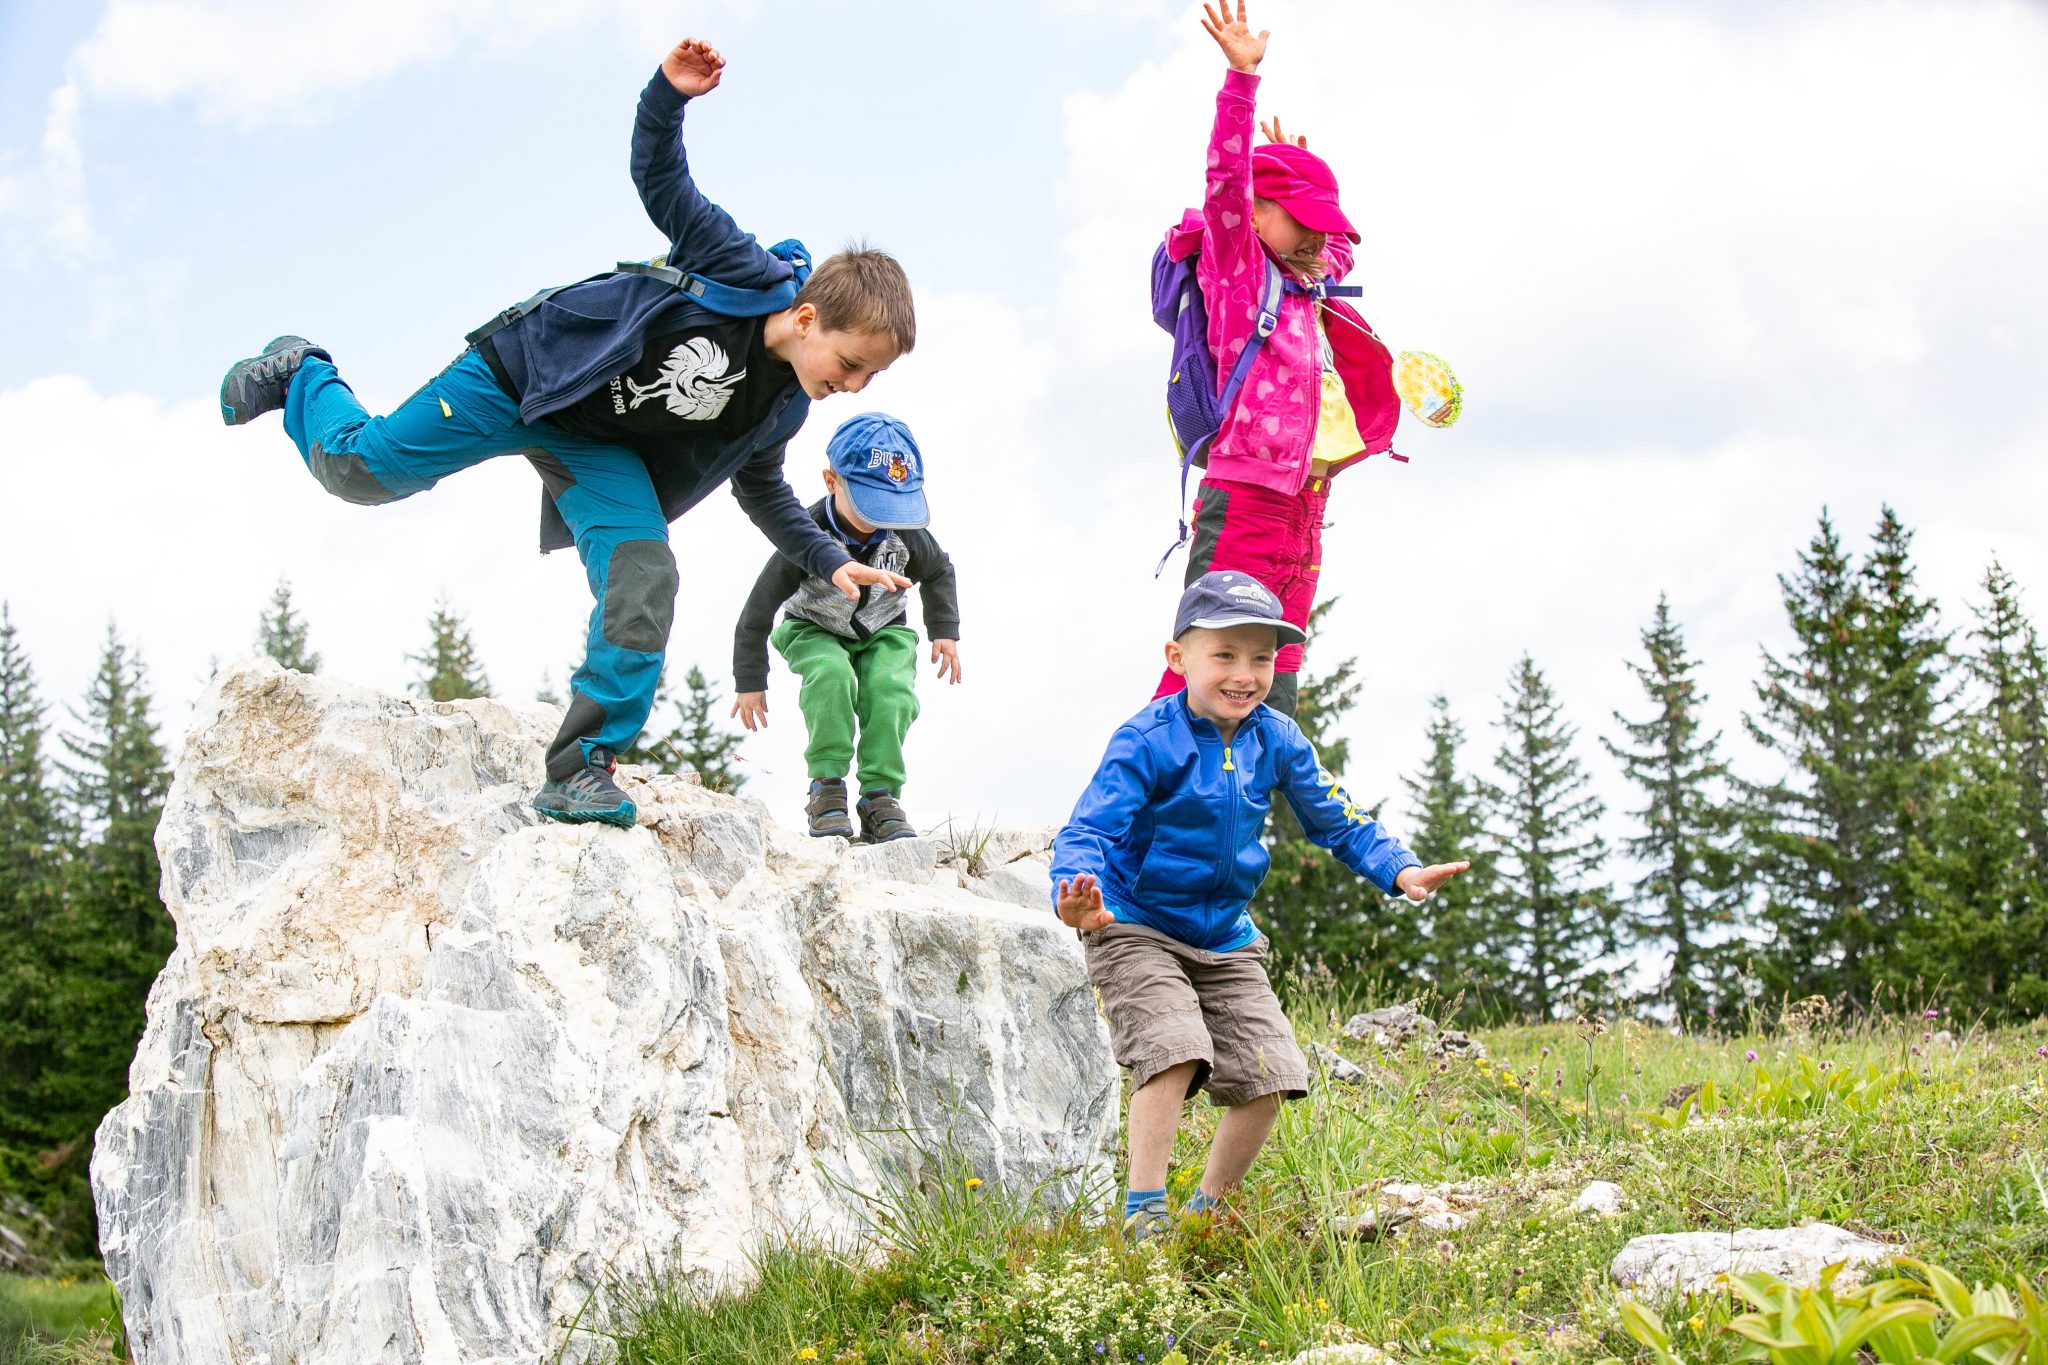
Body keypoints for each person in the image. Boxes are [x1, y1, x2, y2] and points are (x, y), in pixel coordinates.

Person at [217, 36, 914, 828]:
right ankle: (304, 368)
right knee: (359, 471)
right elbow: (662, 179)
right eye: (852, 362)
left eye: (870, 380)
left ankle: (581, 767)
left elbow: (761, 489)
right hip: (524, 377)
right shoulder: (739, 268)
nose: (851, 387)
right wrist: (668, 95)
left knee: (645, 571)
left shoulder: (782, 405)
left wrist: (831, 559)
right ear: (809, 315)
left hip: (595, 447)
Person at [1052, 570, 1467, 1237]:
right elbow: (1090, 828)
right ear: (1177, 656)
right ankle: (1143, 1214)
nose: (1245, 673)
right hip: (1135, 923)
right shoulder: (1146, 740)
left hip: (1226, 936)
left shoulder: (1277, 738)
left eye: (1262, 657)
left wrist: (1401, 869)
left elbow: (1338, 817)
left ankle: (1208, 1212)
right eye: (1225, 654)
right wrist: (1075, 894)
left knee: (1275, 1071)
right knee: (1175, 1049)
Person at [1154, 0, 1404, 719]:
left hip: (1306, 505)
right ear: (1258, 214)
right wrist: (1241, 83)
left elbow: (1339, 247)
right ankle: (1142, 806)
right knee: (1211, 654)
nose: (1321, 240)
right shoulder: (1239, 277)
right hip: (1245, 500)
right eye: (1306, 217)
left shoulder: (1307, 282)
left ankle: (1245, 814)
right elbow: (1226, 184)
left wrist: (1298, 170)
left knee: (1275, 667)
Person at [730, 413, 960, 842]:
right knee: (832, 677)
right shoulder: (805, 532)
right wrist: (749, 680)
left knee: (890, 690)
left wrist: (944, 629)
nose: (881, 518)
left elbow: (940, 570)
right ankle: (827, 787)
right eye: (870, 502)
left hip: (884, 627)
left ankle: (879, 795)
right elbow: (757, 610)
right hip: (813, 627)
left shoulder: (906, 534)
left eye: (892, 505)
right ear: (831, 481)